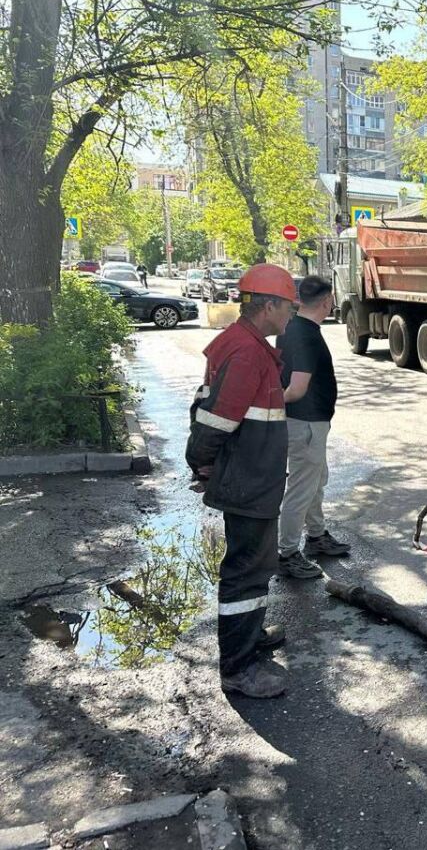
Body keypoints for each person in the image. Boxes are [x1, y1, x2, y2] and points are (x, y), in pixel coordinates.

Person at [186, 264, 297, 699]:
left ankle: (249, 637)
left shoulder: (244, 345)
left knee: (256, 566)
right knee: (245, 573)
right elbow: (214, 421)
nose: (291, 315)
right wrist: (201, 464)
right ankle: (238, 666)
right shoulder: (248, 353)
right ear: (268, 306)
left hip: (254, 478)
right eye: (287, 307)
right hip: (250, 481)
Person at [275, 276, 350, 578]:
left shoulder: (291, 328)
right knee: (302, 488)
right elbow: (296, 388)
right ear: (326, 301)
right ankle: (288, 553)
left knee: (315, 482)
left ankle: (316, 536)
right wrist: (271, 406)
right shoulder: (306, 336)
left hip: (309, 423)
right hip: (305, 424)